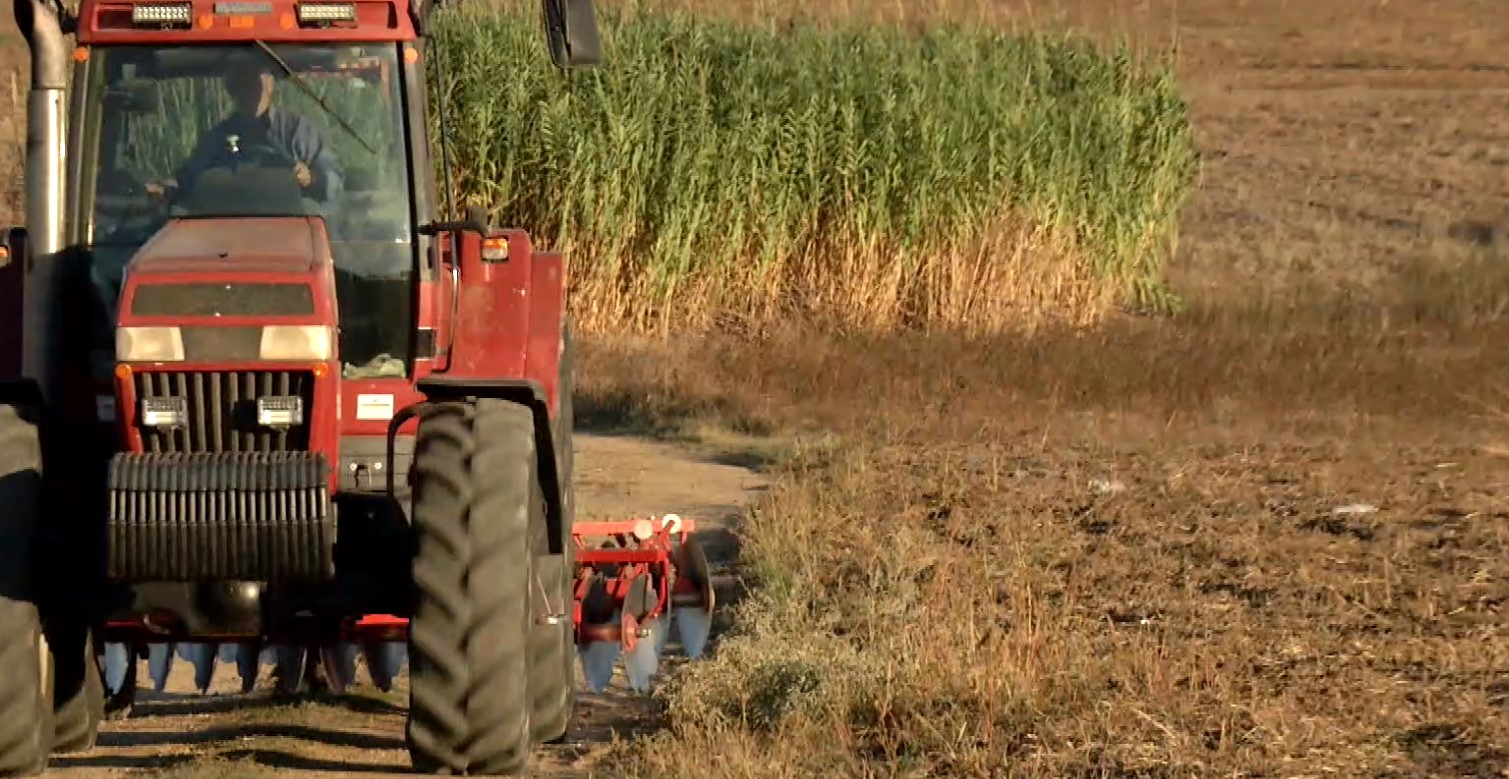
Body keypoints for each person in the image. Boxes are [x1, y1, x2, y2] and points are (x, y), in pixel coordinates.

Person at [146, 50, 343, 205]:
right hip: (226, 238)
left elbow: (335, 183)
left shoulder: (297, 132)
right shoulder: (217, 139)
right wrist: (164, 190)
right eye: (245, 79)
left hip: (293, 234)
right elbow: (186, 181)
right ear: (232, 88)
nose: (253, 87)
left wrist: (312, 179)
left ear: (270, 83)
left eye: (258, 77)